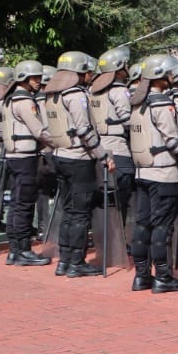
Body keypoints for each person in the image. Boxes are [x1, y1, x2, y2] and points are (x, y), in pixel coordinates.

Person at [129, 55, 178, 293]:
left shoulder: (138, 102)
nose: (173, 77)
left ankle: (141, 276)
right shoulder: (162, 103)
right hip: (163, 172)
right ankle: (163, 276)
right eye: (169, 73)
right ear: (159, 77)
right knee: (162, 227)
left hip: (142, 171)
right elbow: (173, 143)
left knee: (143, 224)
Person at [44, 52, 112, 277]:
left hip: (60, 155)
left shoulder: (53, 96)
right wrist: (103, 155)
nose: (90, 75)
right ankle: (76, 262)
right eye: (88, 72)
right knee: (81, 213)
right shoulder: (76, 95)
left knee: (68, 211)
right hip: (79, 159)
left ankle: (65, 260)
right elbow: (84, 129)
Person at [1, 61, 53, 266]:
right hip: (25, 157)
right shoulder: (25, 101)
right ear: (24, 78)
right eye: (35, 77)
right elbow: (38, 130)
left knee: (16, 203)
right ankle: (23, 250)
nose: (39, 81)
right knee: (24, 204)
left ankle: (15, 249)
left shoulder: (10, 99)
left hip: (14, 156)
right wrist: (59, 142)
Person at [89, 45, 135, 237]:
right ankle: (118, 241)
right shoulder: (119, 90)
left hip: (97, 148)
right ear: (118, 68)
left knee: (103, 199)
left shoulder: (92, 90)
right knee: (121, 198)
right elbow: (128, 120)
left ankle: (104, 239)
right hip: (118, 149)